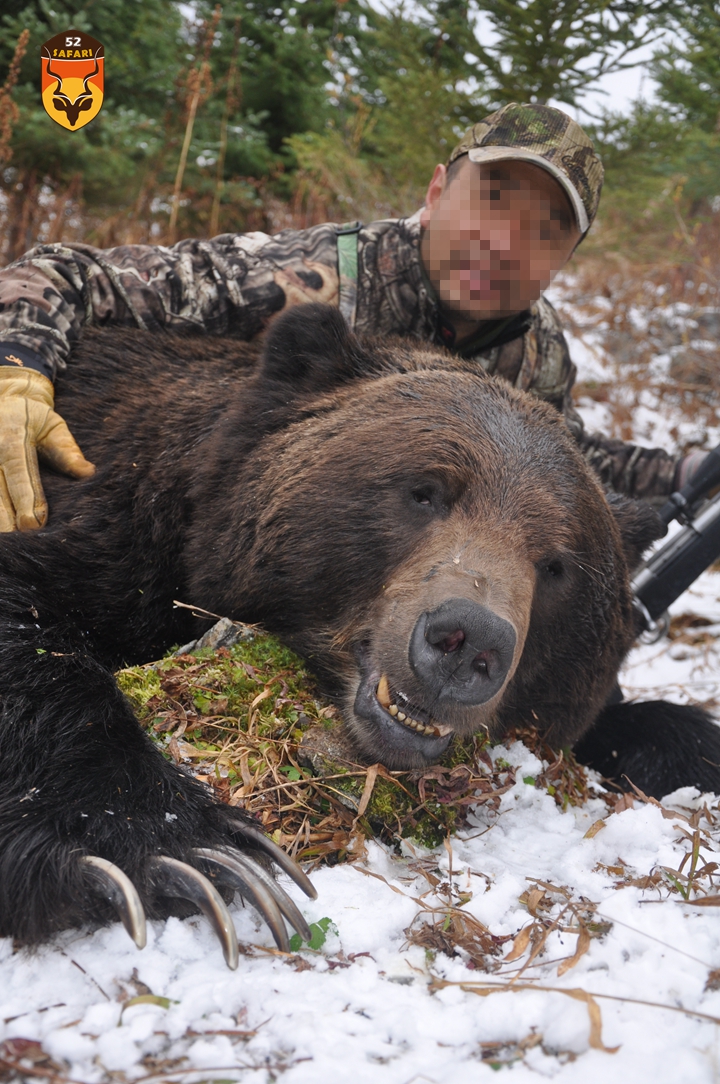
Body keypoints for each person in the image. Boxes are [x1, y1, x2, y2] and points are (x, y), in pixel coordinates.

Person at [0, 102, 693, 533]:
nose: (505, 243)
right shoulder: (314, 279)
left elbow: (571, 453)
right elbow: (64, 274)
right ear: (435, 192)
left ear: (566, 258)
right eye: (491, 200)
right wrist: (17, 374)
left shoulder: (537, 353)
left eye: (544, 231)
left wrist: (687, 473)